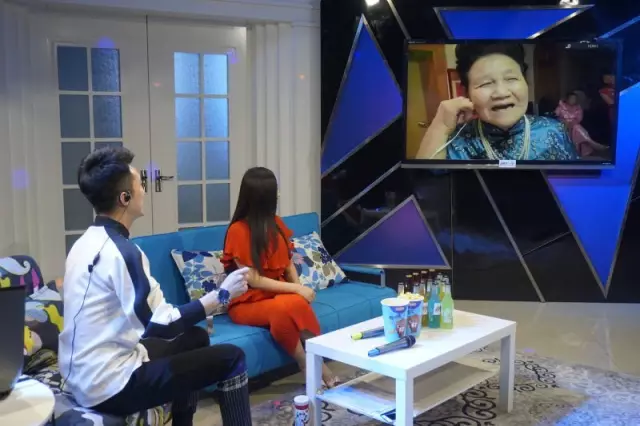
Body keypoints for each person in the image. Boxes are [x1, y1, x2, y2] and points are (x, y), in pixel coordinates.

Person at [58, 147, 253, 426]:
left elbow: (152, 319)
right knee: (233, 358)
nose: (144, 191)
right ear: (125, 198)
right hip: (109, 385)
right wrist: (223, 294)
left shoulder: (84, 243)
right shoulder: (123, 253)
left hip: (81, 374)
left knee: (196, 338)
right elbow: (162, 326)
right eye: (140, 184)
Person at [222, 167, 339, 388]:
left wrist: (298, 287)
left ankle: (311, 362)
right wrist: (296, 290)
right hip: (247, 300)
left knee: (288, 307)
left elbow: (287, 262)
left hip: (277, 295)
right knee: (285, 306)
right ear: (263, 197)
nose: (278, 195)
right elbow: (254, 280)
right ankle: (312, 364)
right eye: (274, 191)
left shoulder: (275, 223)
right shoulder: (238, 230)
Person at [416, 43, 579, 161]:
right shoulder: (457, 140)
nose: (501, 93)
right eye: (485, 83)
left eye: (511, 79)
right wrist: (440, 126)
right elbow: (425, 185)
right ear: (466, 93)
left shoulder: (554, 131)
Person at [555, 92, 608, 157]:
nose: (573, 100)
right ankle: (592, 143)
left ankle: (588, 142)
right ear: (567, 99)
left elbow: (579, 119)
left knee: (577, 128)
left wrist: (571, 123)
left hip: (574, 126)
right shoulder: (561, 107)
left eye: (574, 99)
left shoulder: (578, 108)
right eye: (571, 98)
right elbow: (555, 117)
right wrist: (564, 122)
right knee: (575, 128)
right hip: (563, 125)